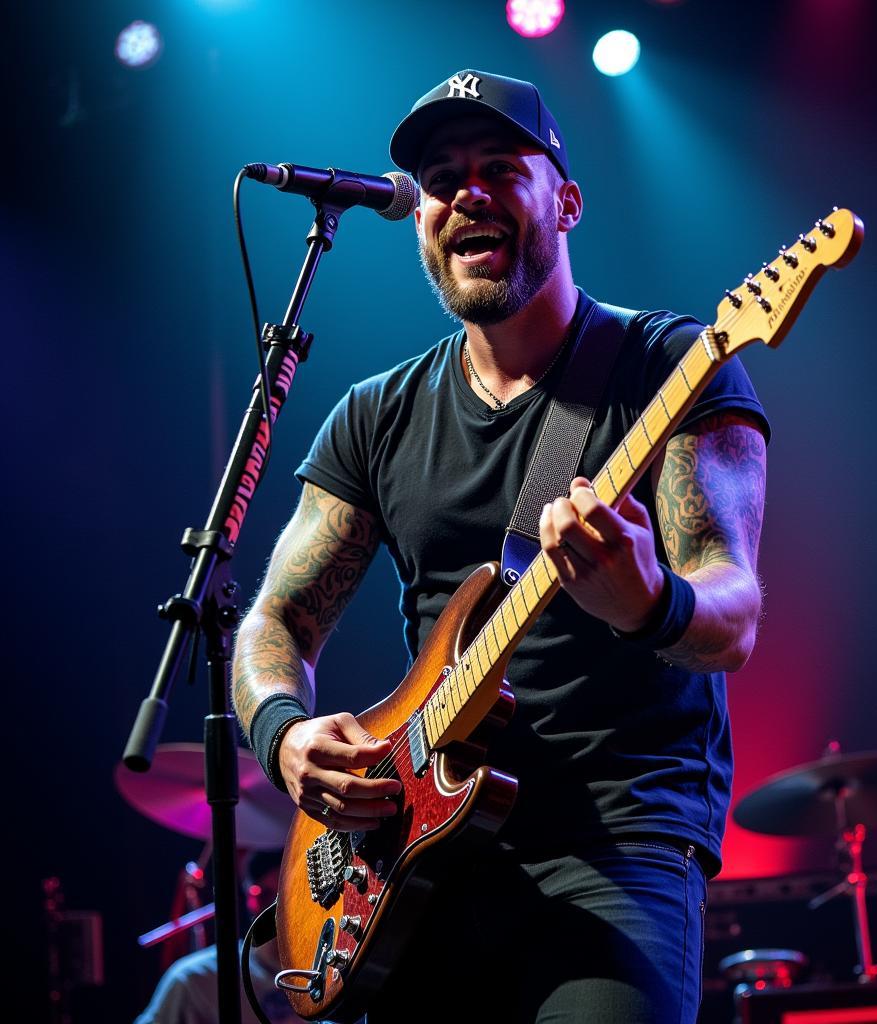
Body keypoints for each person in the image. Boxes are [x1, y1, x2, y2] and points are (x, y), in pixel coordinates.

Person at [232, 70, 768, 1024]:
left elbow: (731, 617)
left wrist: (649, 601)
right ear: (418, 219)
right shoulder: (375, 416)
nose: (464, 193)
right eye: (441, 178)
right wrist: (284, 734)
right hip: (416, 856)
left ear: (565, 199)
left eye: (498, 167)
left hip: (615, 846)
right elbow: (276, 616)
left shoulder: (672, 367)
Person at [133, 852, 302, 1024]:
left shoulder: (326, 973)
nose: (282, 909)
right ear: (252, 901)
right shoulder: (193, 979)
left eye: (295, 895)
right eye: (266, 895)